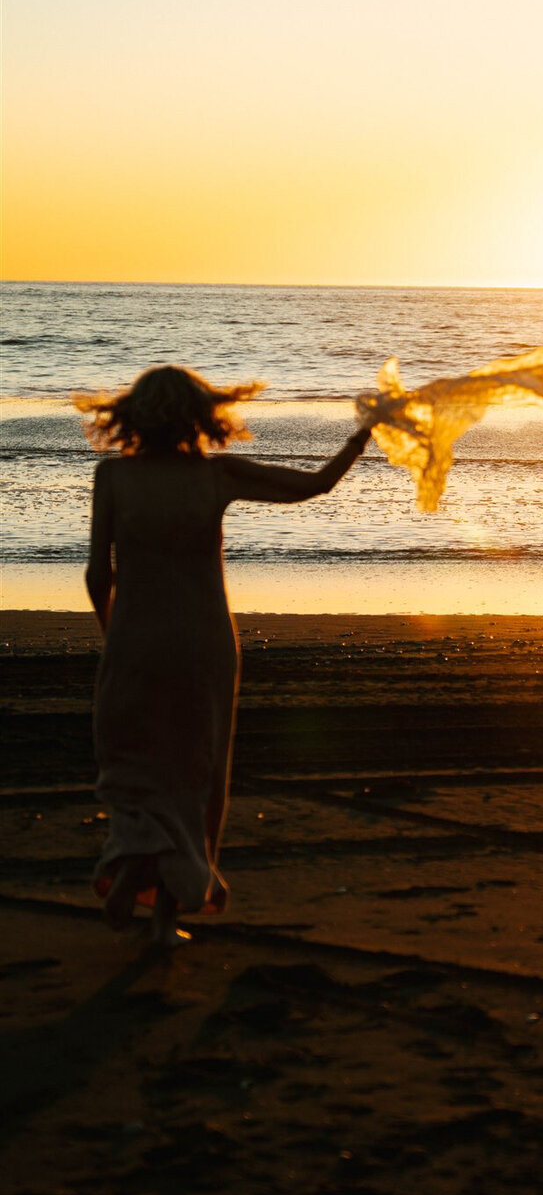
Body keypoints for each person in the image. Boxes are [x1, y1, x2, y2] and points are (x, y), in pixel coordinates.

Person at [77, 365, 372, 946]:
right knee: (195, 769)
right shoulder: (217, 477)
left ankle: (133, 863)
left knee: (136, 765)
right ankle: (165, 917)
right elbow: (314, 485)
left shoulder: (112, 477)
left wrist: (115, 635)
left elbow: (96, 574)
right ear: (200, 417)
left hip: (137, 639)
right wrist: (360, 437)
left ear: (132, 417)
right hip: (202, 641)